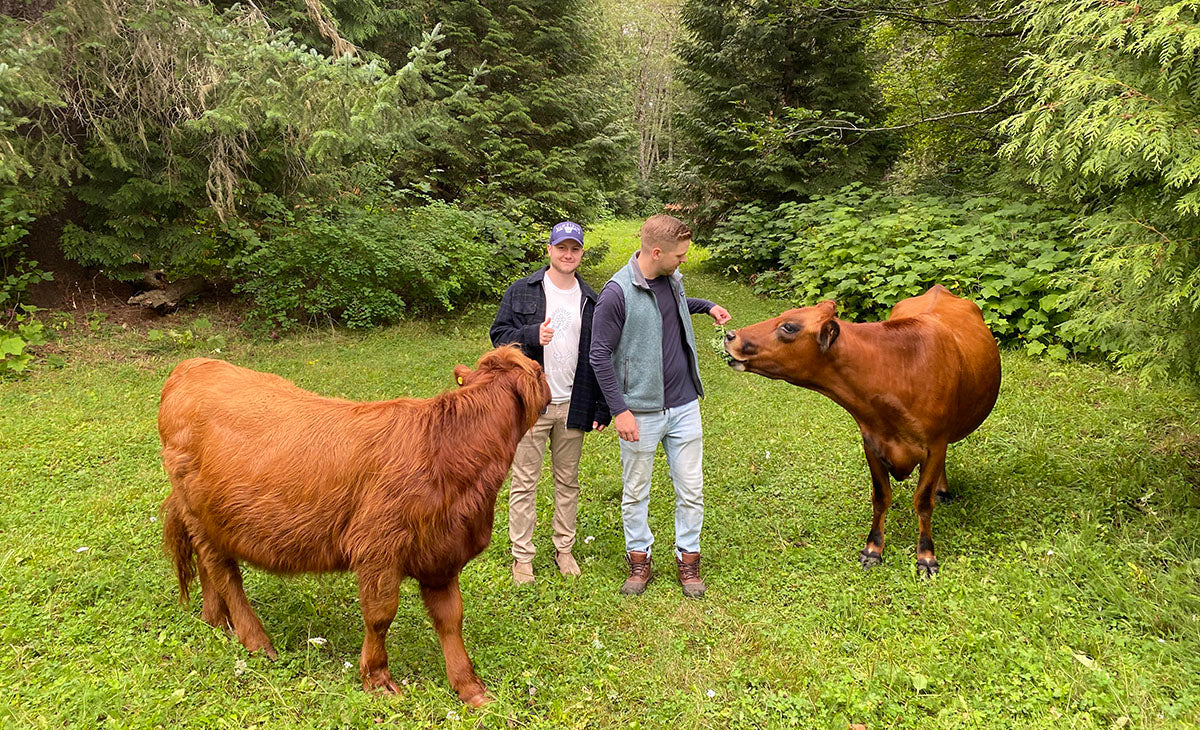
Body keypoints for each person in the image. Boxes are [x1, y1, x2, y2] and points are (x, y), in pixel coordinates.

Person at [589, 214, 730, 598]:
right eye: (680, 256)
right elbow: (599, 355)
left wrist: (708, 306)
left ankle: (689, 559)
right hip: (640, 412)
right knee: (636, 491)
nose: (683, 260)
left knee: (692, 489)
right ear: (656, 252)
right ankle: (639, 558)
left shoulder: (673, 280)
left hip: (684, 405)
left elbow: (676, 305)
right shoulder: (616, 294)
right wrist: (619, 410)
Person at [490, 221, 610, 585]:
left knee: (567, 481)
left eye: (574, 249)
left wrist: (601, 405)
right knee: (525, 481)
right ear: (550, 250)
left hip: (574, 404)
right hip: (530, 406)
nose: (567, 254)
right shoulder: (522, 291)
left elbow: (601, 352)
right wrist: (530, 335)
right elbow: (498, 337)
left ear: (581, 254)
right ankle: (522, 557)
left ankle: (564, 550)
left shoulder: (591, 298)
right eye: (562, 248)